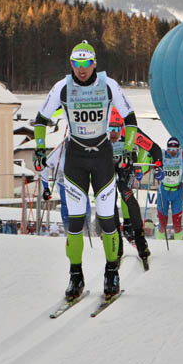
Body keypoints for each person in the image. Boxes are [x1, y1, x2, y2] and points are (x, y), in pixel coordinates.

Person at [33, 40, 137, 302]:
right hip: (75, 157)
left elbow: (130, 119)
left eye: (86, 64)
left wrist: (129, 149)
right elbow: (41, 119)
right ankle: (75, 274)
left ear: (94, 64)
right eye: (76, 64)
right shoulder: (63, 87)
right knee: (75, 223)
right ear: (71, 64)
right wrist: (40, 149)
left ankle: (111, 272)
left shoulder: (109, 84)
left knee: (106, 220)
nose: (81, 69)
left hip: (102, 156)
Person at [108, 109, 157, 261]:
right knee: (109, 200)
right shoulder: (100, 133)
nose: (113, 133)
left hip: (125, 167)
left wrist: (140, 167)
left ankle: (140, 239)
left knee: (126, 192)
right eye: (110, 128)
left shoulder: (130, 131)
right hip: (107, 166)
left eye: (117, 128)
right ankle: (117, 241)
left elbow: (151, 148)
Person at [154, 137, 183, 239]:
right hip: (163, 191)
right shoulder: (162, 155)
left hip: (177, 192)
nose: (172, 152)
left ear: (178, 149)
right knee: (162, 223)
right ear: (167, 148)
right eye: (170, 150)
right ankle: (159, 242)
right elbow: (151, 164)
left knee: (177, 224)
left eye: (175, 150)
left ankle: (179, 245)